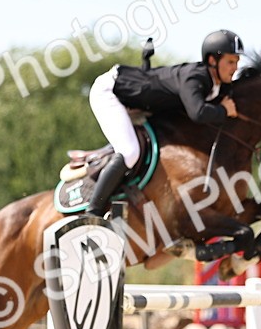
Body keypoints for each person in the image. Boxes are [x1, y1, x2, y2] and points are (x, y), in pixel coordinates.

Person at [85, 29, 244, 215]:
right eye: (231, 62)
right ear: (212, 61)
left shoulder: (217, 83)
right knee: (130, 152)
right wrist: (223, 110)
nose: (235, 68)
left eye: (237, 62)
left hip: (137, 102)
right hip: (111, 92)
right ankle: (93, 212)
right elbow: (198, 113)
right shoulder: (195, 77)